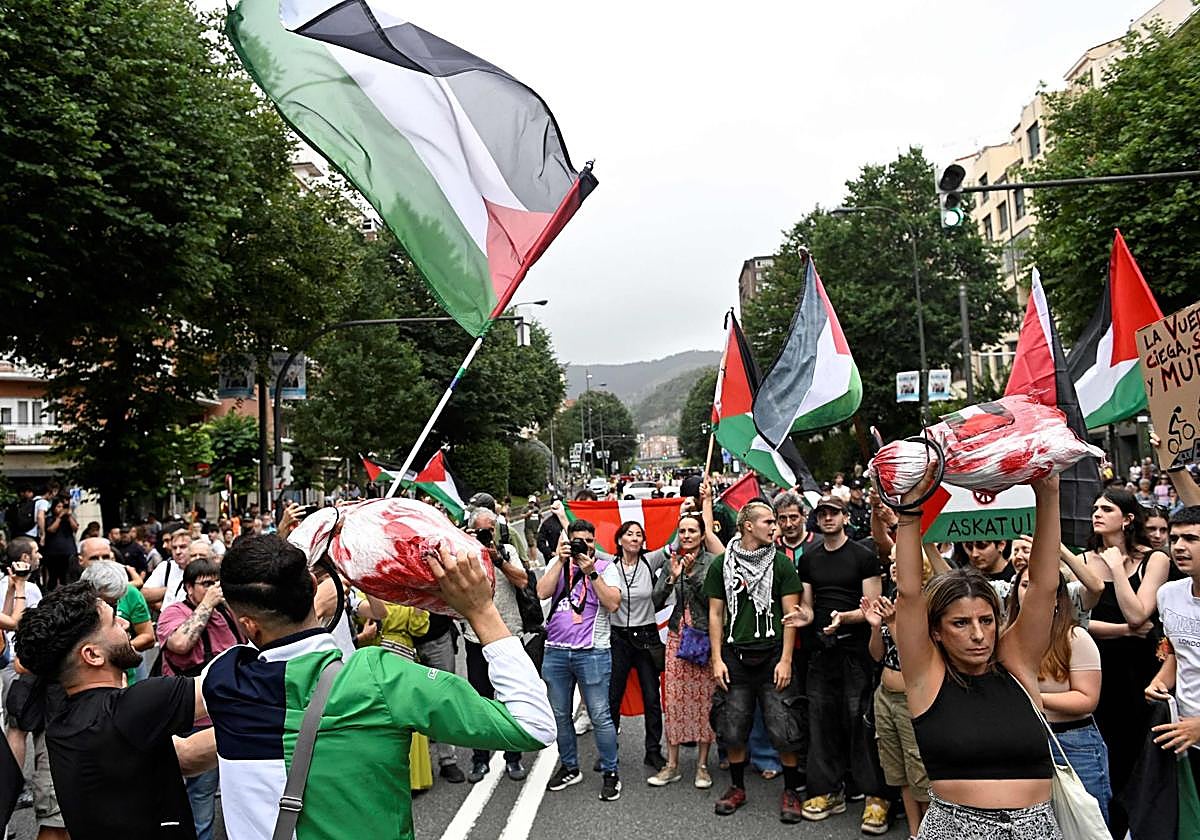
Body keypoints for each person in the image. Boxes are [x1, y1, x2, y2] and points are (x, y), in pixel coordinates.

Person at [204, 533, 554, 839]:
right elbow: (532, 725)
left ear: (247, 625)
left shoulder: (223, 679)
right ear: (313, 586)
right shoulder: (380, 678)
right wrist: (481, 611)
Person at [891, 467, 1062, 839]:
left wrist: (1048, 495)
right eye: (961, 624)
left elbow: (1046, 586)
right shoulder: (926, 675)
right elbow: (908, 592)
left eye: (987, 620)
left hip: (1036, 829)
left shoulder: (1017, 660)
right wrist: (910, 510)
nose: (979, 635)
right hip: (955, 828)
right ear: (935, 631)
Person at [13, 580, 215, 839]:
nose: (125, 624)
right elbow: (234, 687)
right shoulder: (133, 707)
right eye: (113, 622)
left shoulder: (63, 723)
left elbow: (183, 756)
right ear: (92, 655)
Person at [704, 500, 812, 822]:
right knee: (732, 728)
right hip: (735, 658)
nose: (774, 527)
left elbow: (792, 615)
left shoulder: (781, 564)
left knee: (785, 728)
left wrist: (786, 660)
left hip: (773, 658)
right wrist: (716, 659)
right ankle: (737, 787)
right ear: (748, 526)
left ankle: (791, 791)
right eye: (768, 521)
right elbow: (715, 613)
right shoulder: (721, 564)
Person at [797, 493, 889, 831]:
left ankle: (875, 796)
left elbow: (874, 607)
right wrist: (799, 615)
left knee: (860, 721)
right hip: (821, 649)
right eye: (822, 514)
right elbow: (808, 605)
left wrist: (845, 618)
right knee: (821, 721)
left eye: (833, 512)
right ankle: (828, 790)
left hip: (856, 650)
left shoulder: (863, 556)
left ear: (846, 517)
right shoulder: (808, 558)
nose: (827, 518)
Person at [1084, 488, 1171, 837]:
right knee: (1111, 755)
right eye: (1095, 508)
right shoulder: (1084, 560)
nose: (1097, 513)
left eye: (1106, 508)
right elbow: (1079, 622)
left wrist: (1117, 567)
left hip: (1144, 673)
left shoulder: (1156, 560)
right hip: (1101, 672)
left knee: (1143, 753)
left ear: (1128, 518)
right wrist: (1121, 629)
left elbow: (1139, 613)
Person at [1006, 569, 1110, 822]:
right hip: (1024, 744)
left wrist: (1032, 697)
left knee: (1085, 826)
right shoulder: (1004, 639)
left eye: (1041, 585)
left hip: (1073, 744)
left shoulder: (1075, 637)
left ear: (1057, 598)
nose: (1031, 591)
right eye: (1025, 585)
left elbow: (1087, 699)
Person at [536, 518, 624, 800]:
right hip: (556, 650)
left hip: (593, 652)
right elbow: (542, 592)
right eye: (577, 540)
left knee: (600, 715)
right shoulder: (559, 563)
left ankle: (611, 772)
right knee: (560, 715)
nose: (583, 546)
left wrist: (591, 574)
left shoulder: (605, 567)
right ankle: (570, 767)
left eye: (588, 541)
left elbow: (612, 604)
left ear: (594, 542)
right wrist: (561, 563)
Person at [156, 558, 240, 840]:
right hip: (190, 716)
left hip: (228, 713)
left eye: (217, 582)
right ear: (188, 587)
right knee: (196, 795)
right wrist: (206, 605)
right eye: (206, 584)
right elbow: (180, 644)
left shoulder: (228, 613)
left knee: (226, 791)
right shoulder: (173, 613)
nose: (214, 589)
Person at [462, 507, 533, 783]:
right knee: (480, 700)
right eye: (479, 530)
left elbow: (523, 580)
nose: (484, 534)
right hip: (475, 636)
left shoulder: (506, 550)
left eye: (488, 530)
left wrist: (498, 559)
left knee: (509, 699)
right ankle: (479, 759)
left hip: (508, 634)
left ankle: (512, 757)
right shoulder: (463, 551)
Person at [649, 512, 717, 788]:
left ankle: (702, 766)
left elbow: (714, 602)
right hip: (678, 636)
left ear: (702, 535)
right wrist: (671, 578)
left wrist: (689, 576)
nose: (687, 535)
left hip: (704, 637)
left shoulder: (713, 563)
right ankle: (672, 764)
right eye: (683, 531)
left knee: (704, 702)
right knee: (674, 702)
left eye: (692, 531)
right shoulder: (671, 561)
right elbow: (655, 600)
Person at [864, 589, 930, 840]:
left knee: (919, 773)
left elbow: (915, 660)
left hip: (910, 699)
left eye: (897, 563)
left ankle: (930, 833)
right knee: (900, 771)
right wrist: (875, 626)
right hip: (885, 696)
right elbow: (877, 655)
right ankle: (915, 833)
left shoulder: (924, 608)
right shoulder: (891, 602)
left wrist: (892, 623)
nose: (894, 568)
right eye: (892, 564)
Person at [607, 520, 667, 773]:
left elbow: (674, 545)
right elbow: (581, 546)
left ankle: (653, 752)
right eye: (629, 534)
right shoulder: (608, 563)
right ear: (620, 539)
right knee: (613, 698)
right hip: (618, 638)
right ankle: (608, 752)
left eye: (639, 535)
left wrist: (689, 509)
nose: (634, 538)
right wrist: (564, 517)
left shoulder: (650, 561)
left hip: (646, 638)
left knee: (652, 697)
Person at [1146, 506, 1200, 783]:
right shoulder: (1168, 594)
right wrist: (1161, 681)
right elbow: (1177, 650)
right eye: (1175, 538)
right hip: (1182, 737)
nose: (1179, 546)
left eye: (1191, 539)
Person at [141, 524, 193, 610]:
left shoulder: (199, 570)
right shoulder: (166, 567)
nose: (178, 551)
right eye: (174, 548)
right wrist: (170, 591)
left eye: (183, 547)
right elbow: (144, 594)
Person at [40, 496, 76, 591]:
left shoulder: (68, 519)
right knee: (53, 576)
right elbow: (51, 529)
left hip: (68, 551)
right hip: (53, 552)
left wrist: (69, 516)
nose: (61, 509)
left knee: (66, 577)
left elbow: (75, 528)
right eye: (58, 507)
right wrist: (59, 518)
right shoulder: (50, 519)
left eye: (62, 507)